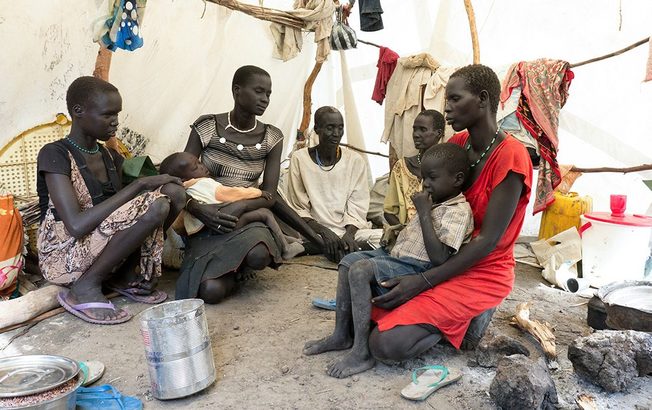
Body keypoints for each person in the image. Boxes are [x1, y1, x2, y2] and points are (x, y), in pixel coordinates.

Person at [367, 64, 533, 362]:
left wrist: (425, 281)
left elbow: (487, 241)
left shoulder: (511, 156)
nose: (447, 109)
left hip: (483, 269)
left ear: (482, 99)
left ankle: (457, 323)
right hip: (443, 256)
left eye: (455, 99)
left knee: (385, 345)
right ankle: (447, 317)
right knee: (368, 302)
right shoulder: (459, 145)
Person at [304, 143, 474, 378]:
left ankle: (361, 352)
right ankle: (342, 334)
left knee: (360, 270)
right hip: (398, 258)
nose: (425, 184)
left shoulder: (457, 211)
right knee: (348, 262)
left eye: (432, 178)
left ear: (457, 179)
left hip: (416, 268)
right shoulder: (436, 201)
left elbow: (439, 257)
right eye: (424, 178)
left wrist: (423, 212)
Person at [37, 76, 186, 325]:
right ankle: (85, 286)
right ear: (78, 112)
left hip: (100, 245)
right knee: (156, 204)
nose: (115, 122)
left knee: (174, 194)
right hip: (64, 254)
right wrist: (139, 184)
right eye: (107, 114)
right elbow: (75, 225)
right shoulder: (55, 154)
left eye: (117, 114)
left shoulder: (109, 156)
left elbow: (121, 213)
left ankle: (125, 274)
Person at [177, 65, 323, 304]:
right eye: (258, 91)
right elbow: (180, 177)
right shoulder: (206, 127)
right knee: (210, 293)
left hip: (248, 217)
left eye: (268, 94)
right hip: (209, 219)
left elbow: (269, 194)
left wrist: (241, 207)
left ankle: (241, 264)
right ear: (237, 91)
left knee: (257, 256)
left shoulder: (271, 137)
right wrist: (198, 209)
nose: (265, 99)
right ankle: (230, 270)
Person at [159, 152, 304, 260]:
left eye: (200, 162)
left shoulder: (183, 191)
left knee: (256, 218)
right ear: (183, 178)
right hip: (219, 225)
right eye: (196, 167)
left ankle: (285, 239)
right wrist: (257, 192)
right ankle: (286, 248)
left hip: (200, 234)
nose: (203, 167)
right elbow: (231, 193)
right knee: (264, 213)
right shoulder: (204, 184)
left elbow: (178, 225)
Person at [285, 106, 382, 262]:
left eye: (340, 128)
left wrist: (348, 235)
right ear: (317, 129)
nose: (336, 134)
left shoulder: (355, 161)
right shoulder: (299, 159)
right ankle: (339, 247)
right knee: (293, 235)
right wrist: (324, 232)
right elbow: (299, 208)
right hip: (314, 231)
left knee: (386, 238)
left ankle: (319, 248)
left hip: (350, 231)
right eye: (330, 128)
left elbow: (357, 208)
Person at [383, 109, 445, 226]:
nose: (416, 134)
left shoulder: (447, 168)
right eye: (414, 129)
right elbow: (389, 212)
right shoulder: (401, 167)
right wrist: (405, 233)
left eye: (423, 130)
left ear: (439, 133)